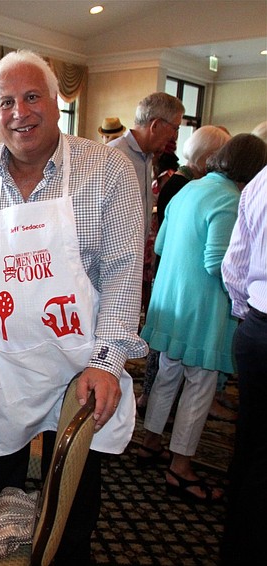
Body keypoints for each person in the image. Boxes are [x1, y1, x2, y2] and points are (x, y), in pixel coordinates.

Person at [0, 50, 145, 566]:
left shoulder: (106, 169)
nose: (19, 112)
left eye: (31, 97)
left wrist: (106, 362)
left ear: (56, 101)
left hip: (78, 365)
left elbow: (121, 271)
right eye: (6, 101)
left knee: (72, 495)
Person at [138, 134, 267, 503]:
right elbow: (221, 265)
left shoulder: (189, 190)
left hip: (172, 303)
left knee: (166, 377)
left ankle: (149, 444)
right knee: (199, 387)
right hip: (203, 310)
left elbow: (160, 246)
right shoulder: (229, 200)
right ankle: (180, 468)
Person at [135, 125, 231, 416]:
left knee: (167, 369)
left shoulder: (184, 186)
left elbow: (161, 243)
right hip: (196, 297)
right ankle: (174, 454)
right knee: (196, 379)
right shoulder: (211, 193)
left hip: (171, 287)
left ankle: (151, 437)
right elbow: (216, 263)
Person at [221, 164, 267, 565]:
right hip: (258, 324)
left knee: (251, 442)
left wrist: (248, 314)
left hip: (258, 327)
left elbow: (234, 269)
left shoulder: (259, 183)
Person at [108, 92, 185, 241]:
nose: (175, 137)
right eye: (175, 128)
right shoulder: (113, 155)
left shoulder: (148, 156)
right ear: (155, 125)